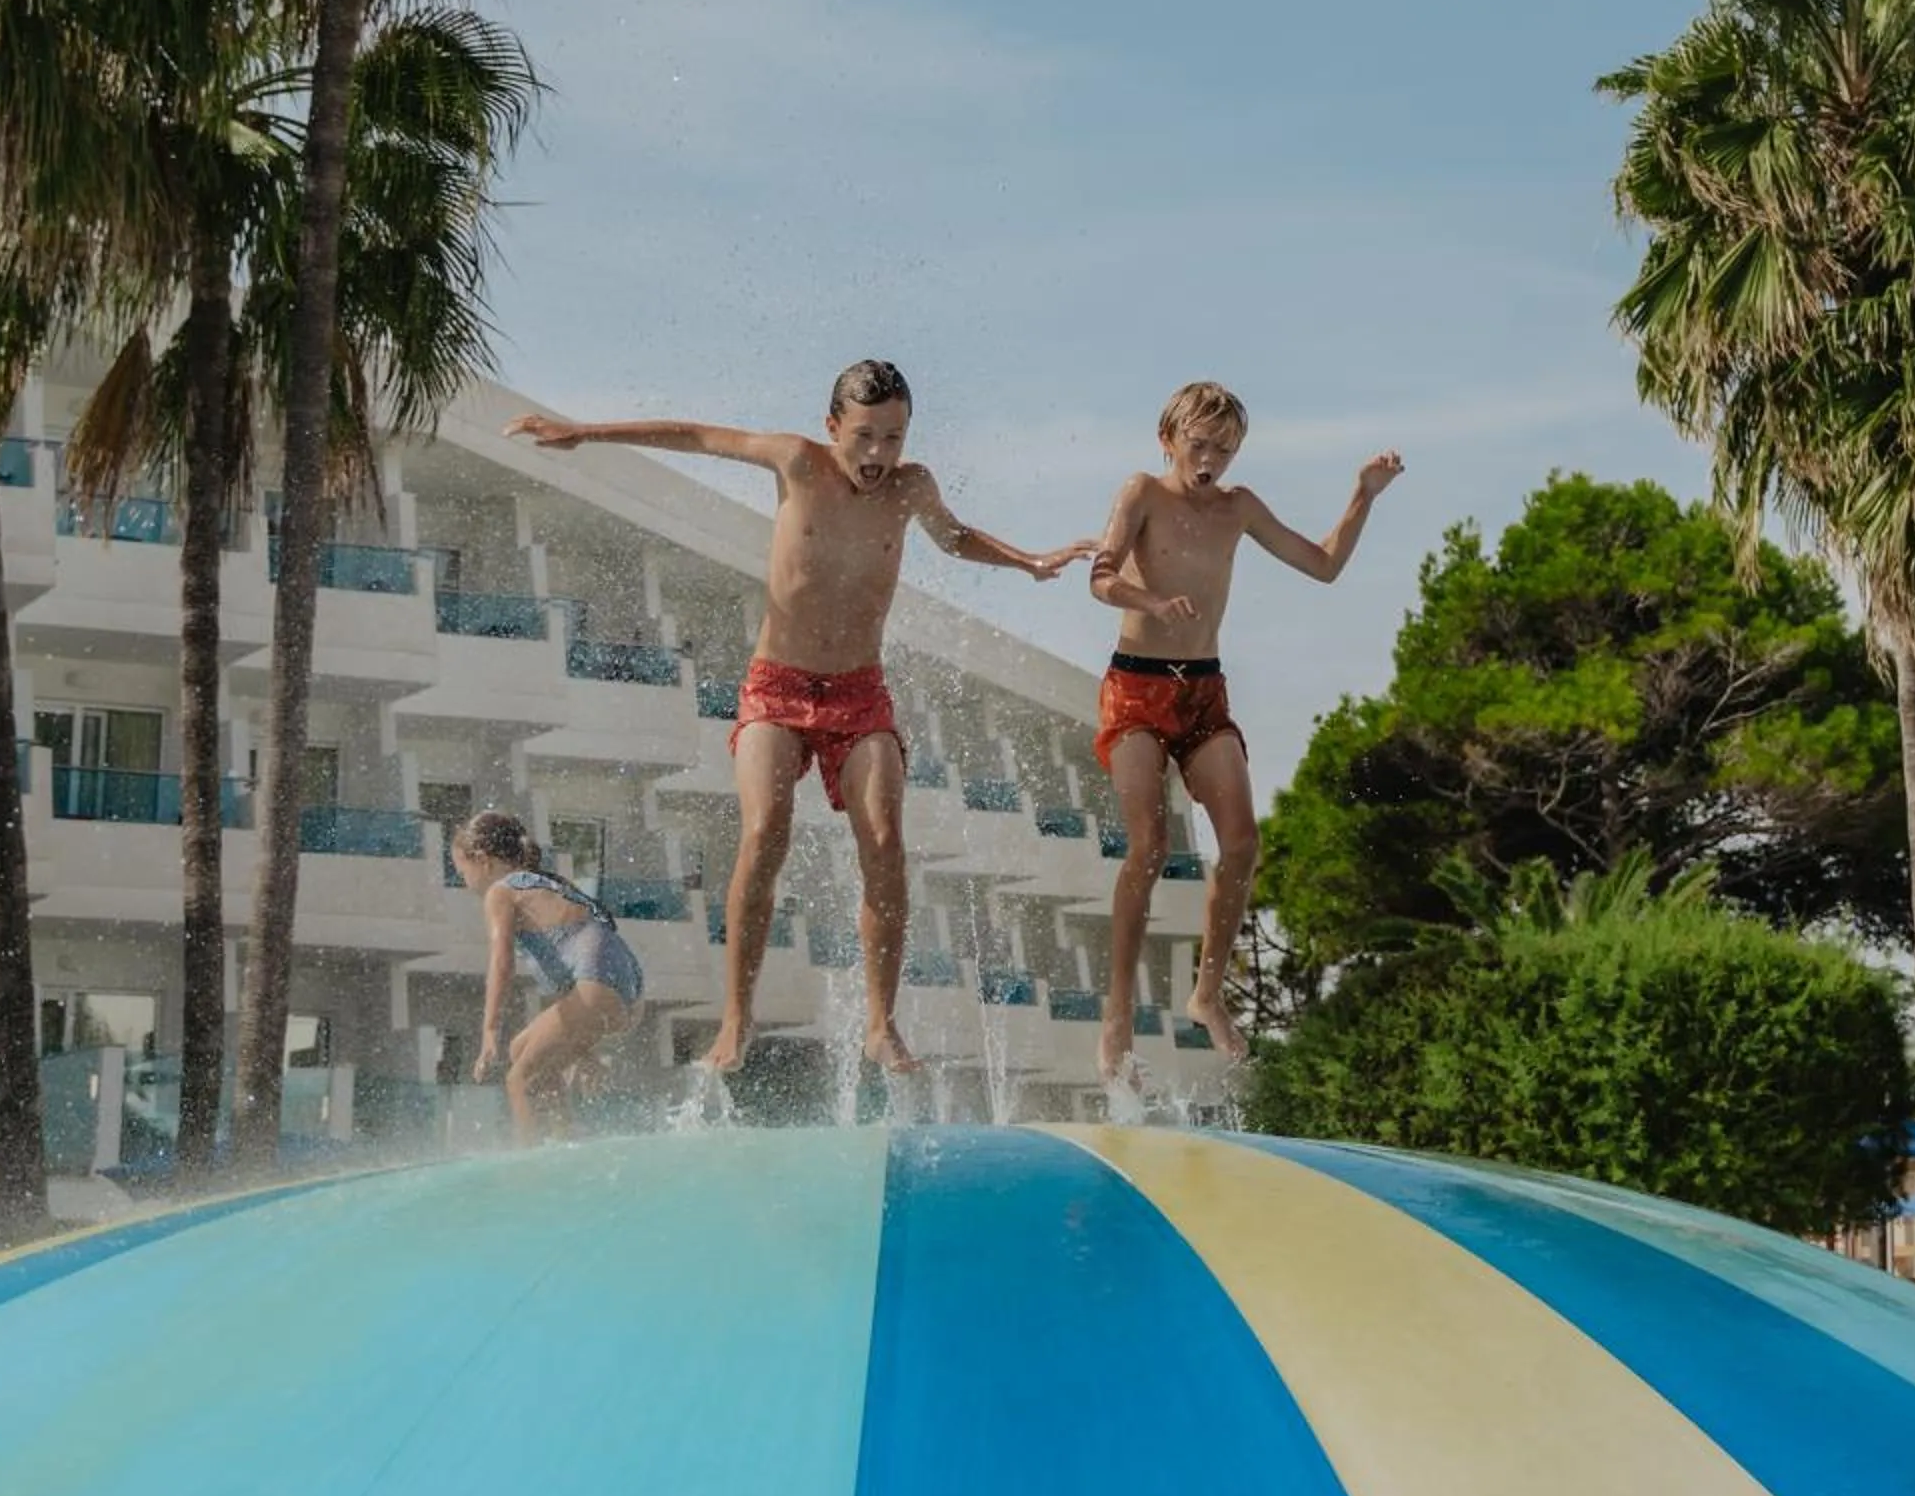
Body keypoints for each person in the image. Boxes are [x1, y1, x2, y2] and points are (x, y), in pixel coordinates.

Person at [506, 361, 1090, 1078]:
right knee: (765, 831)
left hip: (860, 694)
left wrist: (1030, 563)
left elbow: (956, 536)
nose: (878, 455)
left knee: (884, 839)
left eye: (894, 438)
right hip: (777, 688)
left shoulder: (912, 488)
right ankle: (736, 1018)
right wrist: (585, 432)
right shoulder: (795, 461)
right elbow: (696, 435)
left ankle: (880, 1025)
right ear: (831, 426)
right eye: (864, 436)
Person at [1084, 380, 1401, 1093]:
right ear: (1168, 440)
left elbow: (1324, 566)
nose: (1209, 461)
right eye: (1198, 445)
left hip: (1203, 690)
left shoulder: (1240, 508)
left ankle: (1206, 993)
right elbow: (1100, 578)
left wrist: (1364, 495)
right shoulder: (1142, 491)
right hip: (1136, 687)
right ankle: (1117, 1017)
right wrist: (1149, 599)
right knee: (1149, 844)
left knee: (1242, 842)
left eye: (1224, 450)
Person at [461, 810, 644, 1143]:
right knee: (521, 1050)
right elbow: (584, 958)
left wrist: (489, 1030)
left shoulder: (500, 891)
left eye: (462, 871)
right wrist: (584, 1050)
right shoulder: (548, 884)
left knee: (519, 1079)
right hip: (629, 990)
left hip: (596, 984)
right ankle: (564, 1136)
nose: (464, 882)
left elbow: (501, 962)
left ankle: (529, 1160)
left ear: (482, 860)